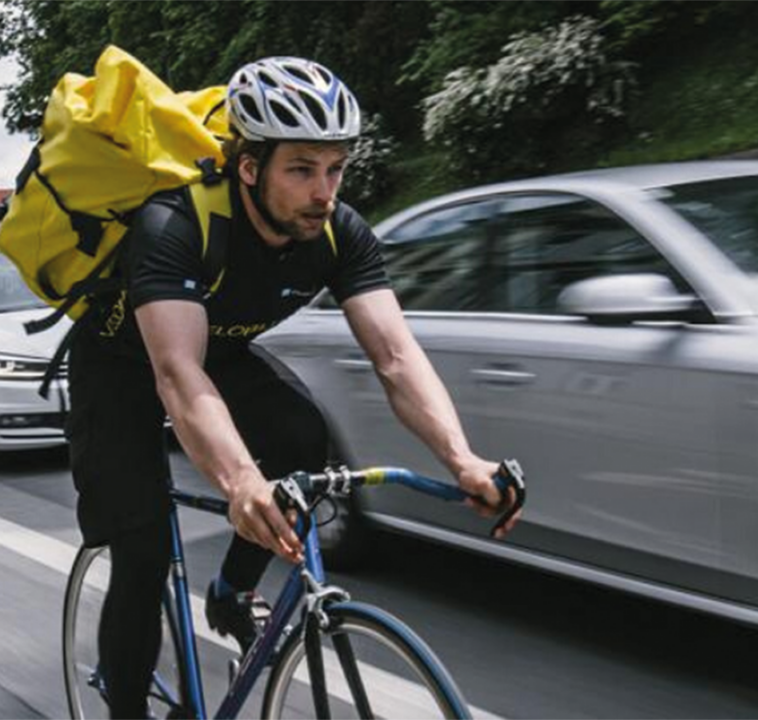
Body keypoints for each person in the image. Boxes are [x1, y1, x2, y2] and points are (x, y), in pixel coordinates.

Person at [66, 56, 522, 718]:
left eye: (335, 168)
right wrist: (240, 483)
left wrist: (462, 458)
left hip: (213, 350)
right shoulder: (176, 225)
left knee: (302, 438)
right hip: (122, 365)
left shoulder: (339, 233)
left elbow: (395, 356)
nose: (324, 191)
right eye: (302, 169)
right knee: (141, 551)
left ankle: (230, 590)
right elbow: (176, 373)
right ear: (249, 166)